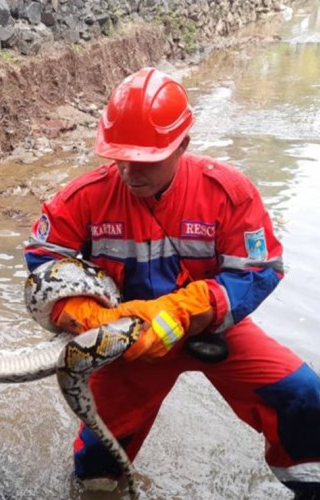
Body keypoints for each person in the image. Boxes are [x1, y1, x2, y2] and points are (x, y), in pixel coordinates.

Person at [24, 67, 320, 498]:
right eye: (119, 158)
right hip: (128, 340)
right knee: (97, 459)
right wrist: (83, 317)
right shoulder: (82, 198)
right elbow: (44, 261)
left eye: (144, 161)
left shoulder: (227, 192)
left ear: (183, 144)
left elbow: (260, 270)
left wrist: (186, 309)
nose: (128, 172)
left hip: (213, 330)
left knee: (305, 397)